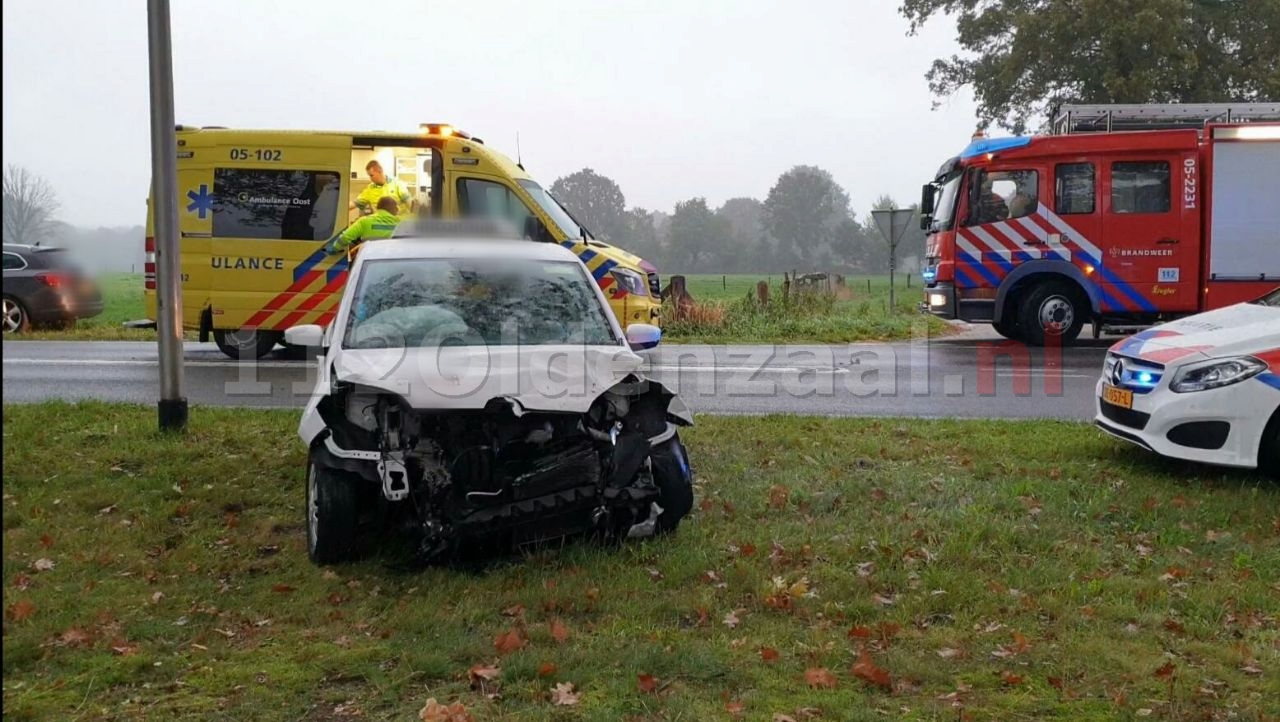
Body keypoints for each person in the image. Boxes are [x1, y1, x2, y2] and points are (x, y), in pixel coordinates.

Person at [325, 197, 401, 256]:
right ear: (394, 209)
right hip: (392, 260)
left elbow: (345, 237)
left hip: (368, 258)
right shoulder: (401, 223)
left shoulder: (365, 221)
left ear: (378, 208)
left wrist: (334, 248)